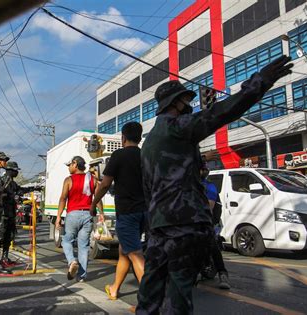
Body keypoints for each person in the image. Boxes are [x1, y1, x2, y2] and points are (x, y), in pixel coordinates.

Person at [137, 55, 293, 314]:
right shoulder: (178, 127)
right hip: (185, 224)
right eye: (186, 100)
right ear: (175, 103)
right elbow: (223, 111)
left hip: (158, 227)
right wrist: (260, 82)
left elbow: (147, 189)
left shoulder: (149, 141)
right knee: (178, 294)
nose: (190, 104)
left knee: (150, 292)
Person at [90, 122, 147, 300]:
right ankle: (114, 288)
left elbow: (105, 183)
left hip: (127, 212)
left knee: (135, 254)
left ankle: (151, 299)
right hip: (145, 212)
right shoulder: (145, 156)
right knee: (124, 251)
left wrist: (93, 204)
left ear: (123, 137)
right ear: (139, 137)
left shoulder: (119, 155)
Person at [56, 156, 104, 282]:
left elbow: (63, 199)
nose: (68, 167)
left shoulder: (68, 180)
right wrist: (101, 214)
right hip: (88, 215)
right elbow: (97, 198)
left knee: (66, 241)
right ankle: (81, 276)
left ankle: (72, 261)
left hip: (73, 215)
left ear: (75, 164)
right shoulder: (93, 180)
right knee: (83, 246)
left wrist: (58, 217)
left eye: (69, 165)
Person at [0, 161, 38, 268]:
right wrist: (12, 196)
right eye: (15, 171)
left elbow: (19, 190)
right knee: (0, 237)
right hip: (3, 214)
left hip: (11, 213)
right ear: (10, 171)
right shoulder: (2, 181)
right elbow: (0, 195)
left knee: (9, 236)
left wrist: (33, 188)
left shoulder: (12, 183)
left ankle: (5, 257)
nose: (16, 173)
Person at [200, 164, 230, 290]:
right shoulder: (187, 186)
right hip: (189, 222)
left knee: (212, 244)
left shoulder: (209, 186)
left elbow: (209, 208)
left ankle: (222, 274)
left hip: (206, 221)